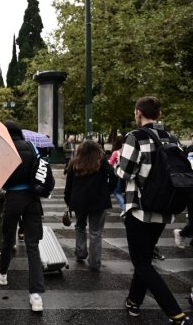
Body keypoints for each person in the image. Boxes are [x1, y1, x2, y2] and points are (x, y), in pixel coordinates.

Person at [116, 96, 191, 324]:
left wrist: (119, 165)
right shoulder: (172, 138)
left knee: (141, 262)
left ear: (138, 112)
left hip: (140, 209)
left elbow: (125, 174)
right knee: (145, 258)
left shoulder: (135, 137)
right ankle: (134, 302)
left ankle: (174, 312)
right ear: (158, 114)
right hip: (164, 208)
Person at [0, 121, 45, 312]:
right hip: (32, 198)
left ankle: (3, 273)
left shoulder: (4, 149)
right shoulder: (31, 146)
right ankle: (36, 295)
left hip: (13, 198)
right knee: (32, 246)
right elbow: (41, 169)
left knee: (8, 239)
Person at [64, 140, 116, 270]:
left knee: (80, 226)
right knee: (96, 232)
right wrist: (107, 191)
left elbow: (68, 184)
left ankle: (80, 252)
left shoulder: (74, 162)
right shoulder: (101, 162)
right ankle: (94, 262)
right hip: (98, 201)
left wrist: (68, 200)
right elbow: (114, 176)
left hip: (79, 201)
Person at [108, 135, 125, 212]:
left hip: (117, 174)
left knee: (117, 192)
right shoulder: (127, 151)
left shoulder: (116, 152)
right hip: (126, 174)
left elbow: (110, 164)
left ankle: (124, 209)